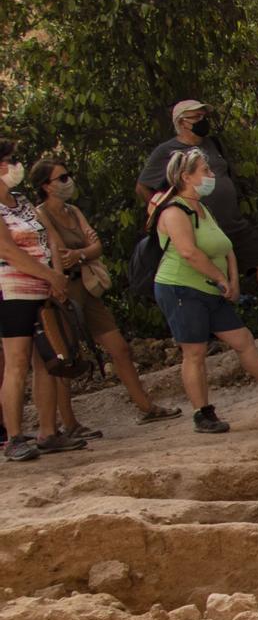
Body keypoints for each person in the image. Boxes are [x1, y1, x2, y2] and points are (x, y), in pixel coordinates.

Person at [147, 149, 258, 434]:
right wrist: (221, 278)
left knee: (242, 339)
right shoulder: (174, 211)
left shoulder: (203, 209)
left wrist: (232, 279)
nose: (211, 176)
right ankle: (201, 413)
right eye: (205, 171)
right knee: (194, 351)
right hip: (181, 288)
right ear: (185, 177)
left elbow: (226, 247)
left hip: (210, 288)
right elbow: (188, 252)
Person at [31, 158, 181, 426]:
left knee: (120, 348)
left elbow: (95, 247)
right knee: (66, 356)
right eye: (62, 178)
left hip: (87, 287)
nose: (69, 181)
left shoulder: (74, 211)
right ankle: (69, 423)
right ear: (46, 186)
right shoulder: (40, 214)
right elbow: (57, 251)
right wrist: (82, 254)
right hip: (62, 290)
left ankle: (146, 406)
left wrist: (78, 254)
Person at [136, 99, 258, 324]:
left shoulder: (212, 144)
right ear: (182, 122)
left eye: (204, 116)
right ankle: (211, 332)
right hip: (198, 227)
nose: (203, 121)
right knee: (205, 274)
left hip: (231, 221)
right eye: (196, 117)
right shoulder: (167, 151)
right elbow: (142, 186)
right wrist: (164, 209)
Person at [0, 140, 86, 461]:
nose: (15, 165)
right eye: (9, 160)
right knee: (17, 362)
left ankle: (49, 432)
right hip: (12, 291)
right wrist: (51, 276)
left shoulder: (21, 201)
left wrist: (56, 275)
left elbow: (47, 237)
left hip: (44, 288)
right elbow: (7, 251)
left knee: (49, 361)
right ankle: (13, 438)